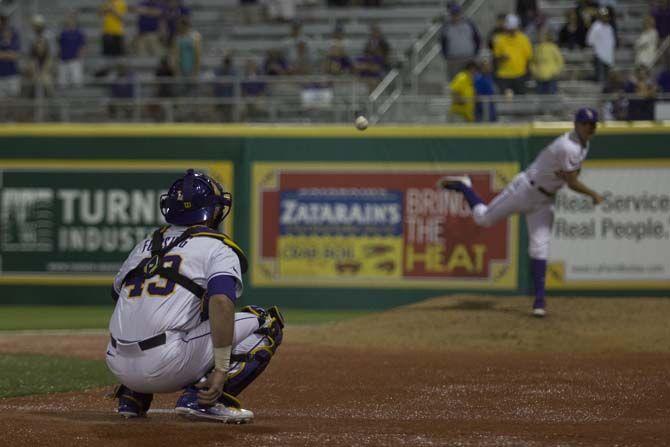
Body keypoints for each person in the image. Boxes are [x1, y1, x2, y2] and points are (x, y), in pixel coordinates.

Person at [107, 169, 284, 422]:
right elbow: (222, 302)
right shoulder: (216, 246)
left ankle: (133, 397)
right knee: (266, 321)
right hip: (167, 364)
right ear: (212, 210)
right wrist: (221, 367)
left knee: (177, 310)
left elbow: (117, 294)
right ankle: (205, 401)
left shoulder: (145, 244)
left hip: (117, 363)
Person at [437, 108, 604, 317]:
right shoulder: (567, 146)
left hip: (544, 200)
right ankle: (464, 186)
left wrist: (565, 174)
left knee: (539, 248)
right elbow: (572, 182)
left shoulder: (583, 144)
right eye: (586, 124)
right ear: (576, 124)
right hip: (525, 190)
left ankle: (539, 301)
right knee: (484, 219)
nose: (590, 127)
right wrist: (593, 195)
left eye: (593, 124)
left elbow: (573, 172)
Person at [492, 14, 532, 95]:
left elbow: (528, 57)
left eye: (513, 29)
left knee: (520, 101)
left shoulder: (524, 39)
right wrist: (501, 58)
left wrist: (527, 74)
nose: (511, 31)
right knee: (505, 101)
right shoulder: (499, 39)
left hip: (520, 75)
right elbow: (495, 58)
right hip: (504, 76)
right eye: (509, 29)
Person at [440, 2, 481, 81]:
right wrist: (446, 57)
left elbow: (477, 39)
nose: (455, 15)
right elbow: (443, 43)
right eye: (453, 13)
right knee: (454, 82)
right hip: (453, 59)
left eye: (457, 13)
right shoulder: (446, 27)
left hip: (469, 58)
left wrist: (475, 53)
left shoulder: (469, 24)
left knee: (471, 81)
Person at [530, 29, 564, 94]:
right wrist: (535, 72)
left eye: (542, 35)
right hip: (539, 78)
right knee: (540, 98)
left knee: (551, 97)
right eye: (539, 35)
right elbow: (532, 62)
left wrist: (554, 72)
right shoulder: (537, 48)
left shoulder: (553, 47)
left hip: (551, 77)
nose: (540, 37)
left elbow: (560, 61)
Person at [586, 7, 615, 83]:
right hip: (599, 55)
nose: (605, 18)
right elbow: (590, 41)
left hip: (608, 56)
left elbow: (611, 42)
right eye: (603, 16)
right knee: (601, 79)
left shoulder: (609, 27)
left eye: (606, 16)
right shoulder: (596, 27)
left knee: (607, 79)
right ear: (600, 16)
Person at [57, 12, 86, 88]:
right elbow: (60, 46)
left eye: (72, 19)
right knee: (62, 84)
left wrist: (80, 57)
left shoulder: (79, 33)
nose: (70, 21)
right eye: (68, 19)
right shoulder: (63, 33)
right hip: (64, 59)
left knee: (77, 83)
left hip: (75, 60)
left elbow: (82, 46)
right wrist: (59, 57)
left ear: (75, 21)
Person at [0, 11, 20, 98]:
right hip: (0, 76)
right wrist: (8, 54)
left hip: (12, 74)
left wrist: (3, 54)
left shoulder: (14, 34)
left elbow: (15, 56)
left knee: (13, 102)